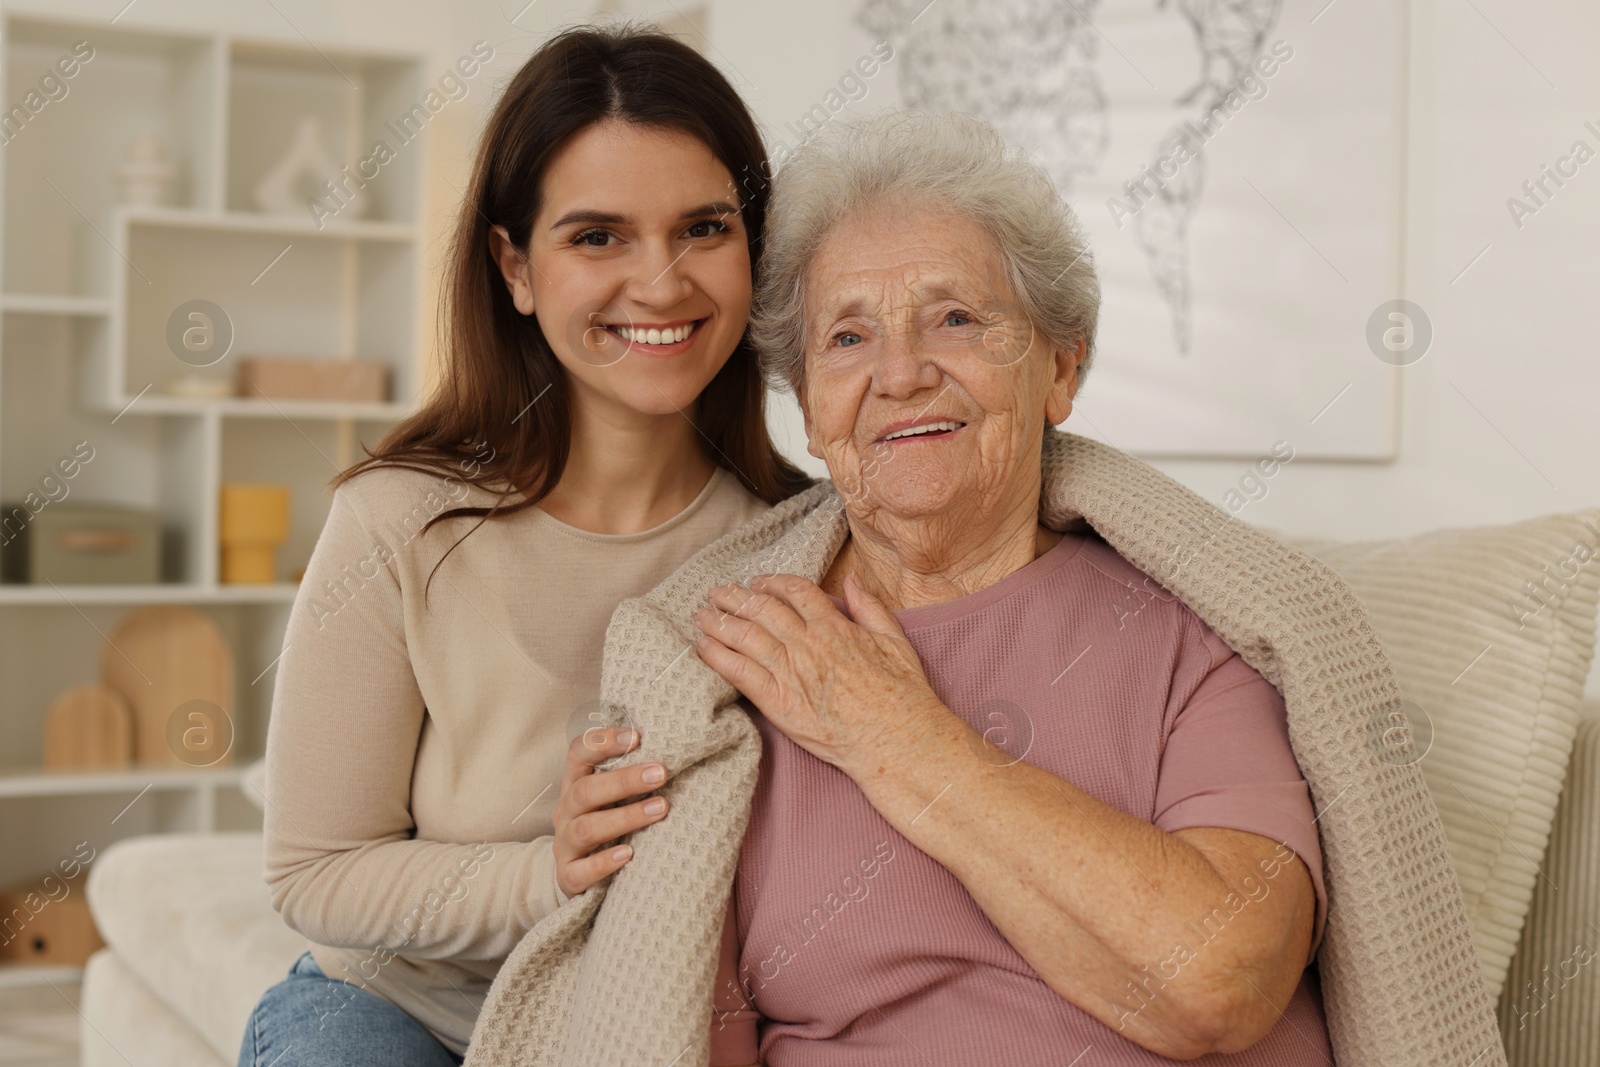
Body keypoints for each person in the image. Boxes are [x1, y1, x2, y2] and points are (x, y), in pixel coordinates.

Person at [692, 110, 1334, 1064]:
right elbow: (693, 1019)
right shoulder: (745, 652)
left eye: (957, 318)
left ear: (1060, 368)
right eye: (848, 337)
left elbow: (1219, 980)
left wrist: (894, 735)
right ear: (812, 409)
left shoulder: (1192, 625)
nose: (901, 373)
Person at [239, 25, 807, 1067]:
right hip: (397, 1013)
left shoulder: (799, 543)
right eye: (597, 237)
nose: (661, 282)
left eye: (704, 227)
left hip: (646, 1023)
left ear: (756, 246)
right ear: (516, 266)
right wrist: (553, 869)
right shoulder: (400, 522)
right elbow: (314, 871)